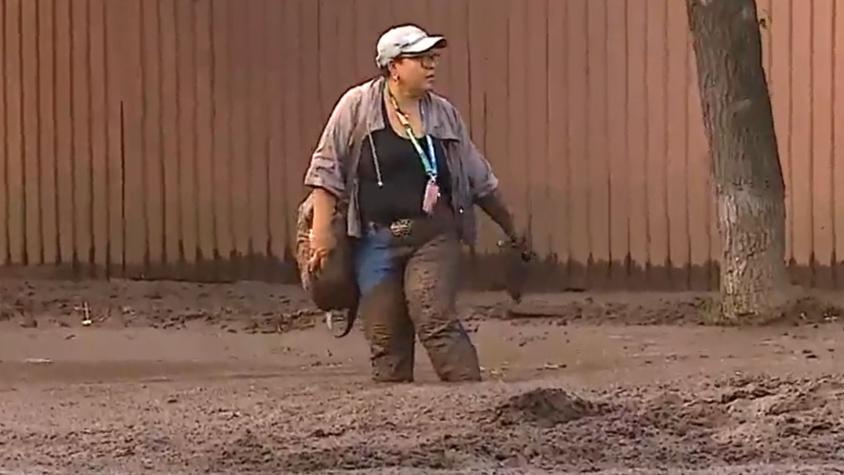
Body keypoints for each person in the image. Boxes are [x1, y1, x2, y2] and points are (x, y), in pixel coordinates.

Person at [303, 24, 523, 383]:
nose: (431, 65)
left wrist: (511, 227)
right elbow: (326, 169)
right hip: (374, 239)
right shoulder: (356, 107)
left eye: (432, 57)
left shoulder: (443, 114)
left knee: (432, 312)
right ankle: (397, 411)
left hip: (432, 236)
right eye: (421, 58)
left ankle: (473, 400)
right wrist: (321, 233)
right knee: (385, 335)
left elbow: (477, 176)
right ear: (394, 66)